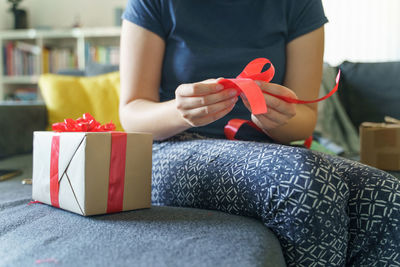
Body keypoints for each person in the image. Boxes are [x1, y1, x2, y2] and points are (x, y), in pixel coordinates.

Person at [119, 1, 400, 266]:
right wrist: (181, 112)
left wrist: (277, 118)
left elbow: (303, 122)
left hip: (270, 150)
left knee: (388, 196)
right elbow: (132, 114)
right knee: (302, 181)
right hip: (172, 147)